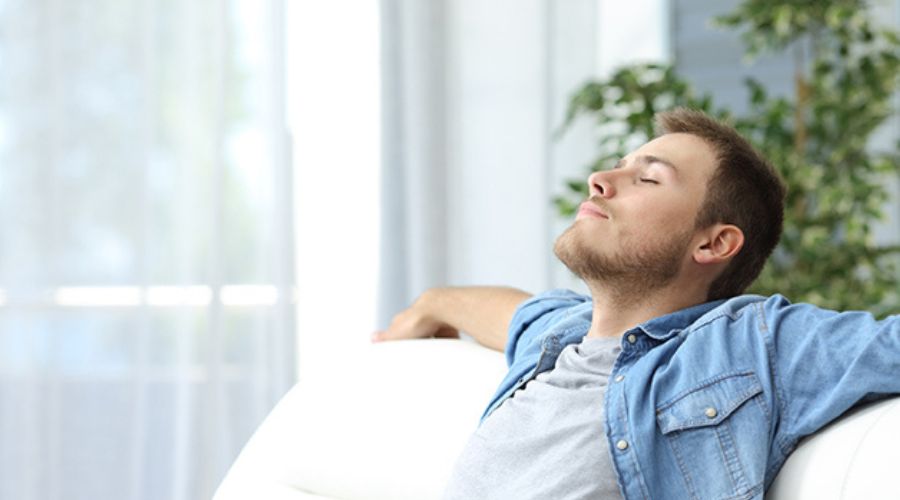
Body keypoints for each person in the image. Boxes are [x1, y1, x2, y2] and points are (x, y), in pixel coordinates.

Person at [371, 108, 900, 500]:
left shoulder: (750, 343)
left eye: (646, 178)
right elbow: (510, 311)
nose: (600, 181)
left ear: (713, 244)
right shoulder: (561, 336)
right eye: (619, 166)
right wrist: (430, 305)